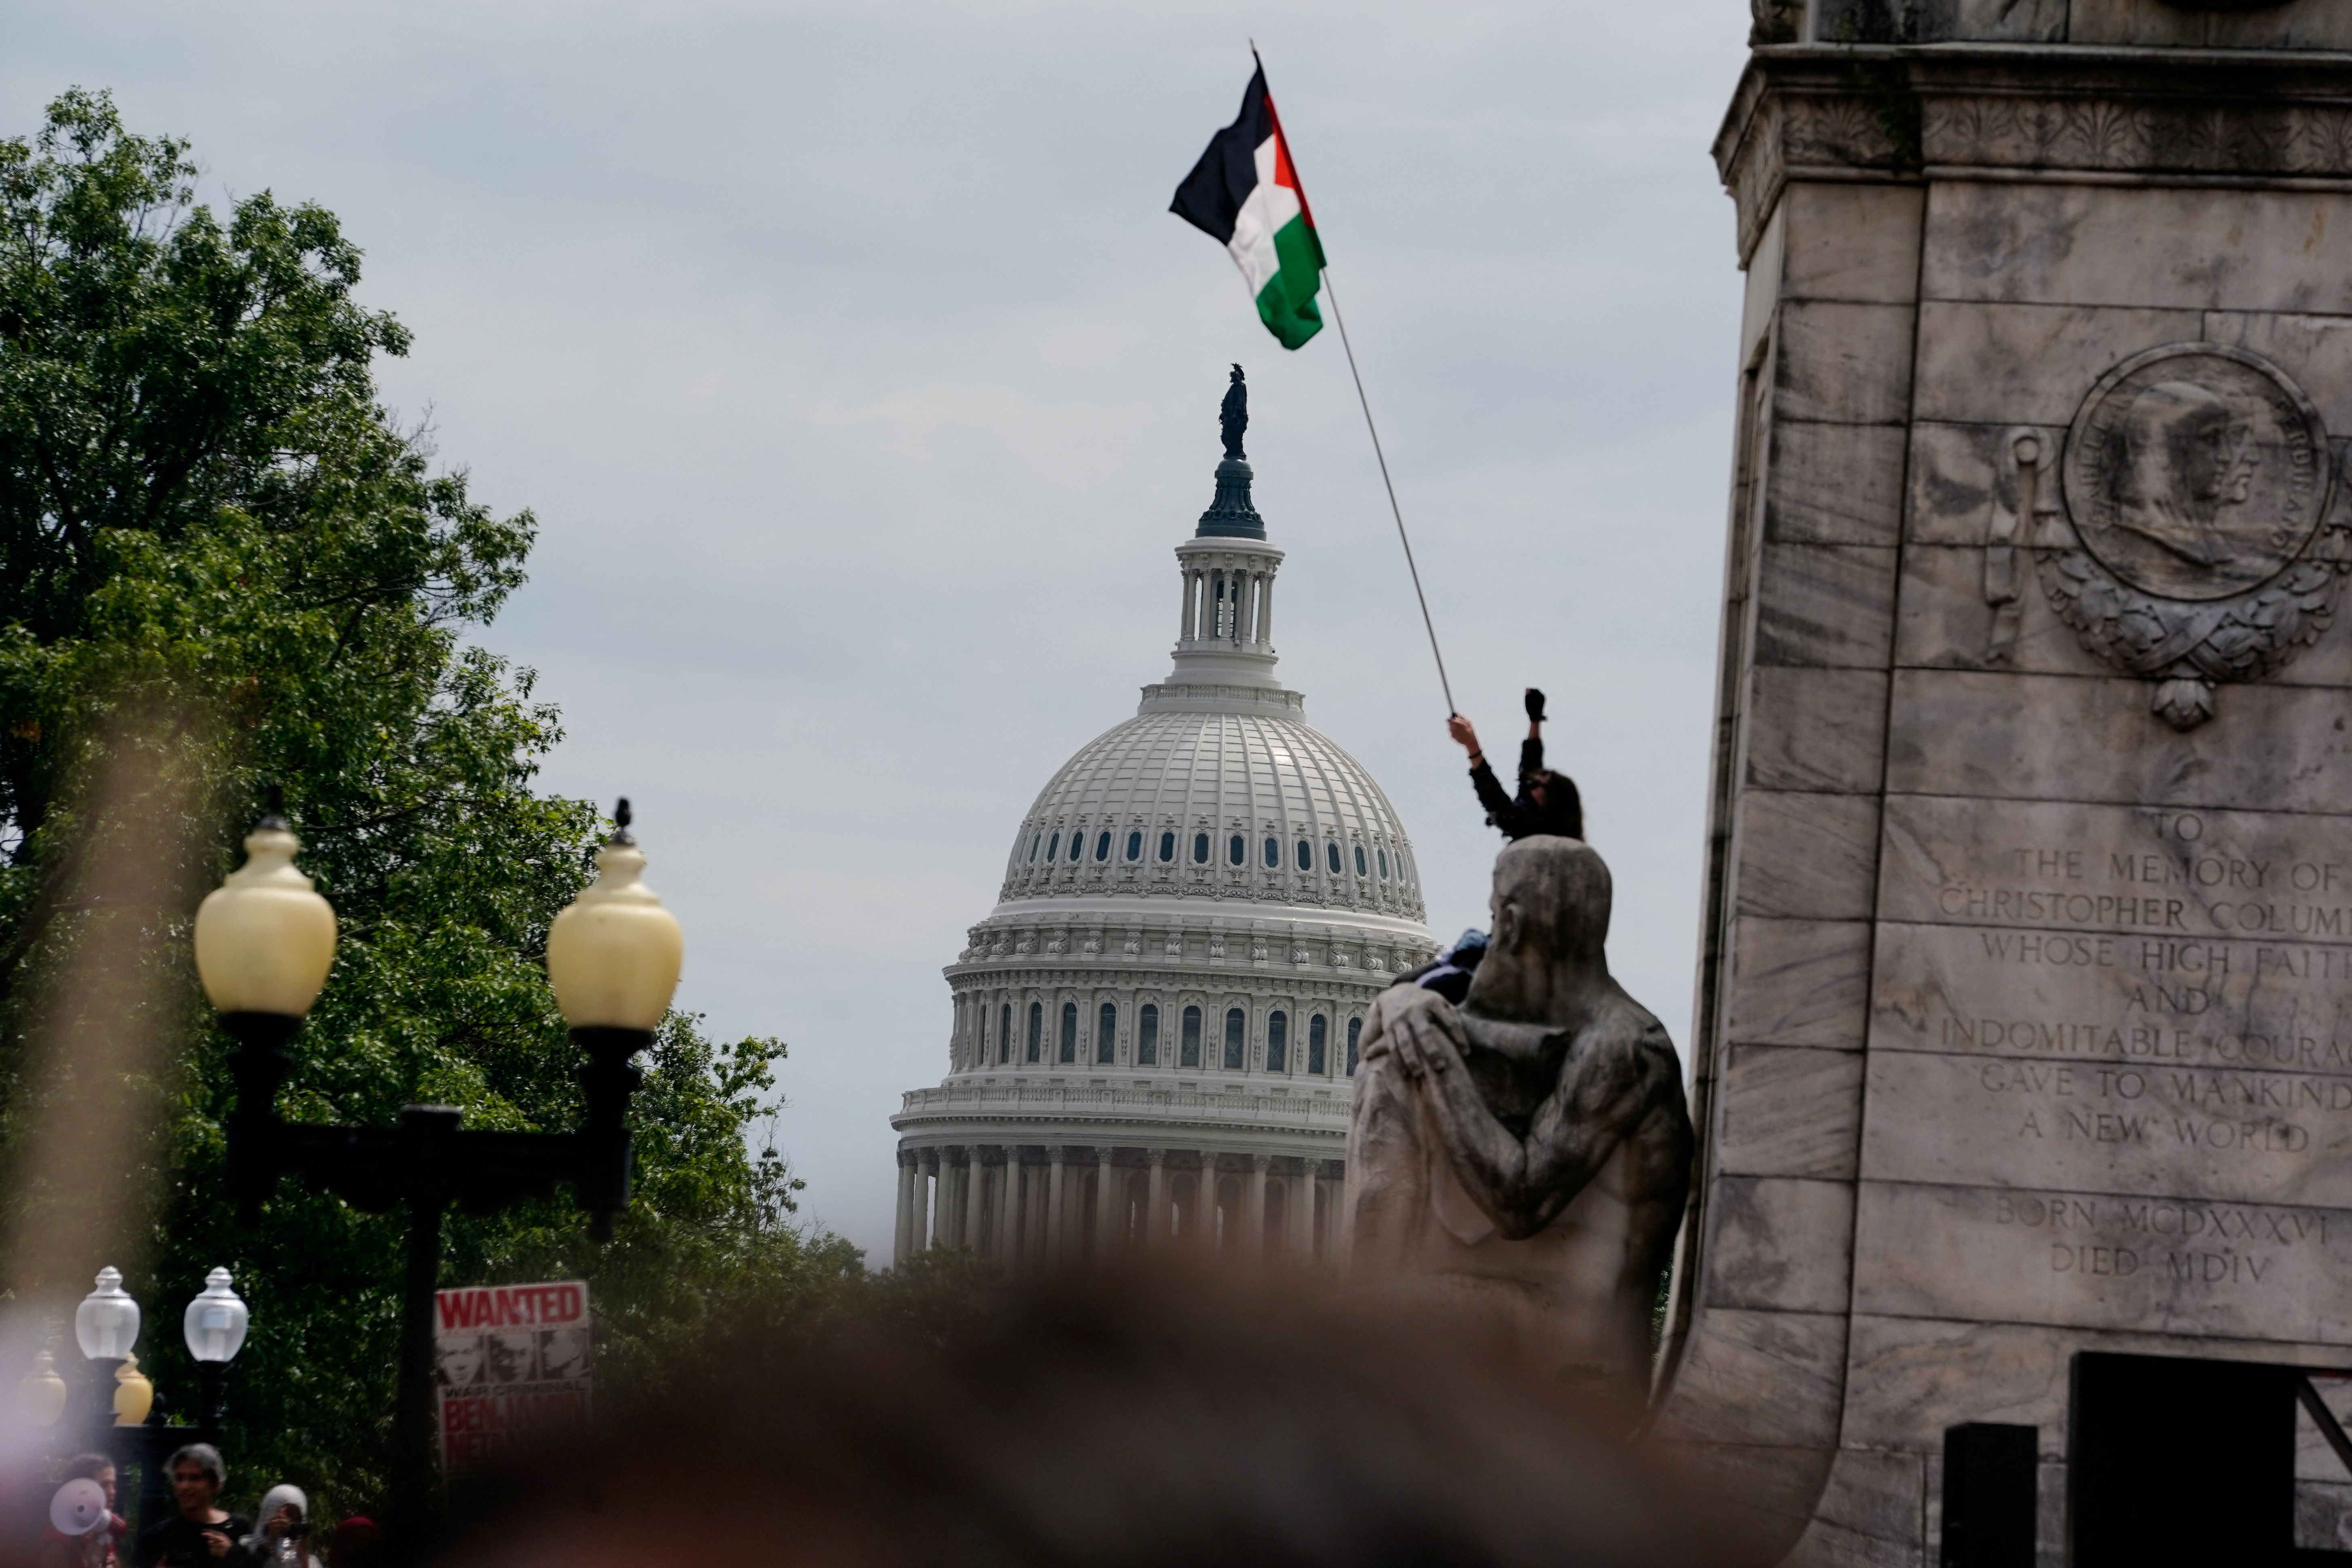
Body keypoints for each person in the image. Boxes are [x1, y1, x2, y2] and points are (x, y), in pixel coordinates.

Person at [1447, 687, 1583, 842]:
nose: (1532, 783)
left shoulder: (1537, 832)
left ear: (1554, 804)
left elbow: (1497, 803)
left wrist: (1472, 746)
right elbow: (1530, 769)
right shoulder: (1541, 820)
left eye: (1538, 785)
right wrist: (1535, 720)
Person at [132, 1446, 249, 1568]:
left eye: (194, 1478)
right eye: (179, 1478)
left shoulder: (239, 1529)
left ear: (215, 1484)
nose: (184, 1486)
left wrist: (232, 1555)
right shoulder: (157, 1537)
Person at [37, 1454, 127, 1568]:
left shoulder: (104, 1532)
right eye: (104, 1485)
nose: (112, 1492)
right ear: (81, 1489)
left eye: (113, 1485)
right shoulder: (58, 1543)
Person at [235, 1485, 320, 1568]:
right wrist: (270, 1541)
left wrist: (303, 1553)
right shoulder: (245, 1549)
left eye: (291, 1514)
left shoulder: (309, 1561)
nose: (283, 1519)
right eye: (278, 1512)